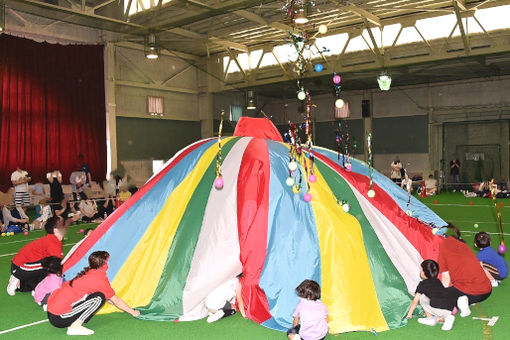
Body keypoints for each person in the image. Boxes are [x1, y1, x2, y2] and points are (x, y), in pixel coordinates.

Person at [47, 251, 140, 335]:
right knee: (99, 298)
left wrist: (111, 300)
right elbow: (116, 301)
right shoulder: (99, 278)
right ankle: (75, 326)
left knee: (99, 296)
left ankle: (75, 322)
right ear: (103, 264)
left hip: (52, 311)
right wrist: (133, 312)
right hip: (59, 317)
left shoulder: (90, 272)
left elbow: (110, 299)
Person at [438, 224, 492, 318]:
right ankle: (469, 300)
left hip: (471, 291)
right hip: (487, 291)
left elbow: (446, 278)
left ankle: (463, 303)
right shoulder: (462, 245)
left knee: (437, 299)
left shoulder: (443, 247)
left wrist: (443, 294)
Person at [7, 216, 67, 295]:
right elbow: (56, 266)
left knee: (49, 267)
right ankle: (16, 277)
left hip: (26, 266)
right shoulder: (52, 242)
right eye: (63, 225)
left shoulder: (55, 240)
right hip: (19, 267)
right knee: (50, 266)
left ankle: (20, 284)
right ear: (55, 230)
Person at [406, 260, 458, 331]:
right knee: (438, 300)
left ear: (424, 273)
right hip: (449, 307)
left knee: (422, 297)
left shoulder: (422, 284)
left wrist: (409, 314)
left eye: (421, 270)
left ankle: (429, 318)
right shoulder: (438, 281)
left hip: (438, 309)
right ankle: (445, 318)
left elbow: (415, 301)